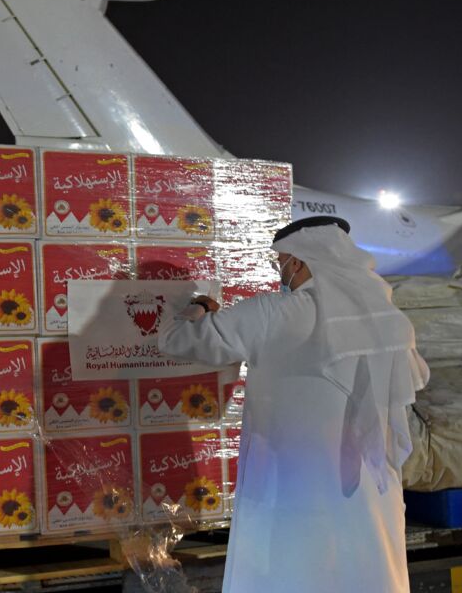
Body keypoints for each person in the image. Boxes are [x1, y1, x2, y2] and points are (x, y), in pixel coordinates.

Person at [159, 216, 429, 592]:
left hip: (296, 489)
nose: (280, 271)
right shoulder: (387, 321)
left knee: (295, 568)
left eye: (281, 261)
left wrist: (197, 307)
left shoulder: (281, 312)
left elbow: (181, 341)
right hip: (366, 490)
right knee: (362, 567)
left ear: (299, 261)